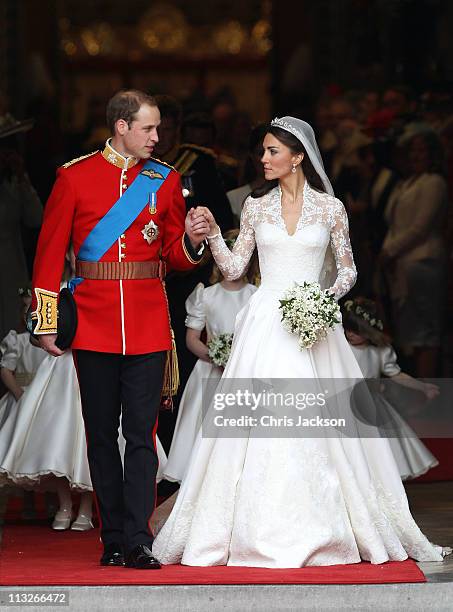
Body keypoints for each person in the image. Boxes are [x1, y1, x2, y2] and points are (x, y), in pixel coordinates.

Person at [152, 116, 448, 568]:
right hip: (266, 325)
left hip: (314, 325)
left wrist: (321, 300)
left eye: (272, 151)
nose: (264, 158)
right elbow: (234, 270)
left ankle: (330, 525)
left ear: (298, 157)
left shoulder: (330, 209)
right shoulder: (255, 207)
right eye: (264, 151)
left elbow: (348, 270)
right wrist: (213, 235)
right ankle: (249, 529)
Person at [30, 90, 209, 569]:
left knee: (141, 436)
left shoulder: (165, 180)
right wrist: (46, 320)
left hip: (149, 324)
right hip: (92, 324)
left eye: (158, 128)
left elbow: (173, 254)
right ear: (121, 127)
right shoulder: (74, 177)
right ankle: (112, 538)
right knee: (101, 437)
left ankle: (139, 538)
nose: (158, 137)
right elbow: (49, 253)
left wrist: (192, 242)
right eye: (149, 128)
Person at [162, 230, 257, 484]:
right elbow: (191, 339)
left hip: (244, 372)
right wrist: (215, 355)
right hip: (210, 370)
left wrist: (238, 356)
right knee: (203, 428)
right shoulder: (206, 294)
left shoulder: (256, 295)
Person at [343, 297, 439, 480]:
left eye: (356, 331)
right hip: (344, 401)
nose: (350, 334)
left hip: (371, 405)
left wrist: (422, 387)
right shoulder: (342, 347)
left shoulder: (380, 351)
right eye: (347, 329)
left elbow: (396, 374)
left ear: (369, 331)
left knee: (378, 448)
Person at [381, 130, 448, 377]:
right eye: (413, 151)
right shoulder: (406, 182)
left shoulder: (434, 182)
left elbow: (421, 227)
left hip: (424, 261)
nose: (417, 156)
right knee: (409, 331)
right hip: (402, 262)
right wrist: (388, 252)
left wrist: (390, 250)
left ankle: (429, 393)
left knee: (425, 332)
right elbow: (394, 223)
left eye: (423, 151)